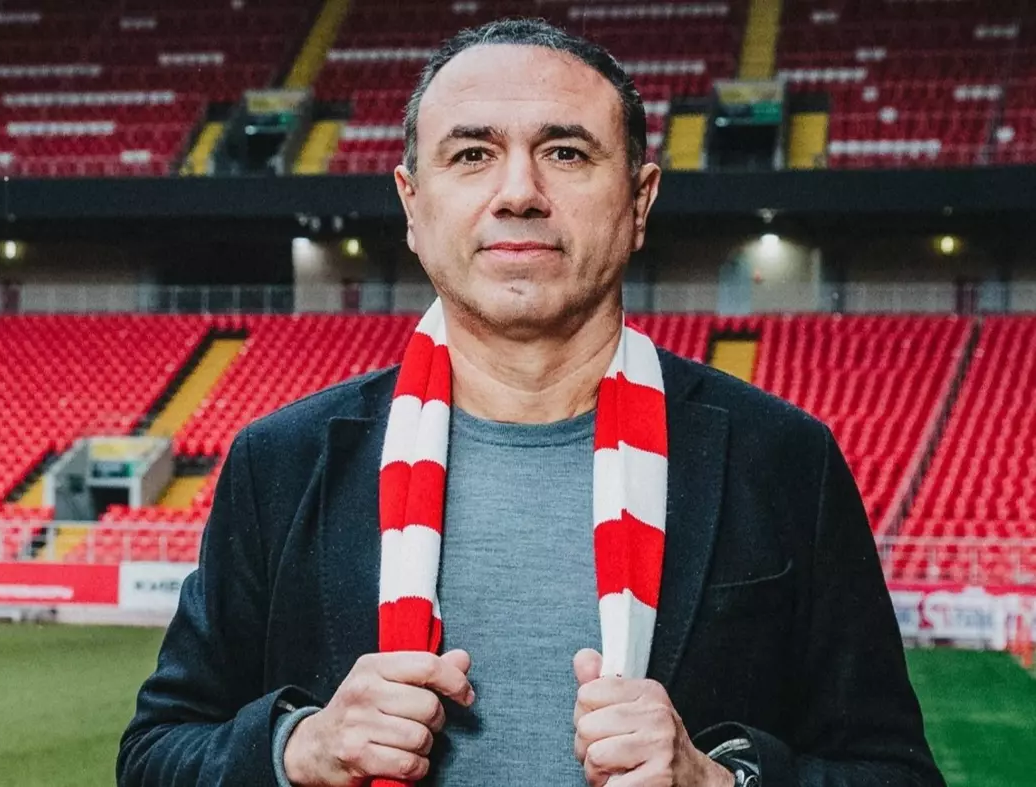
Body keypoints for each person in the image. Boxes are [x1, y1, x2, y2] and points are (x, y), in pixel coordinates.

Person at [118, 18, 945, 787]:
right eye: (472, 154)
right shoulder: (284, 461)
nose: (519, 191)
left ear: (640, 202)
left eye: (567, 152)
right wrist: (297, 745)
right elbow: (156, 751)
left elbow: (893, 770)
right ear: (412, 204)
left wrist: (721, 779)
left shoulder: (782, 458)